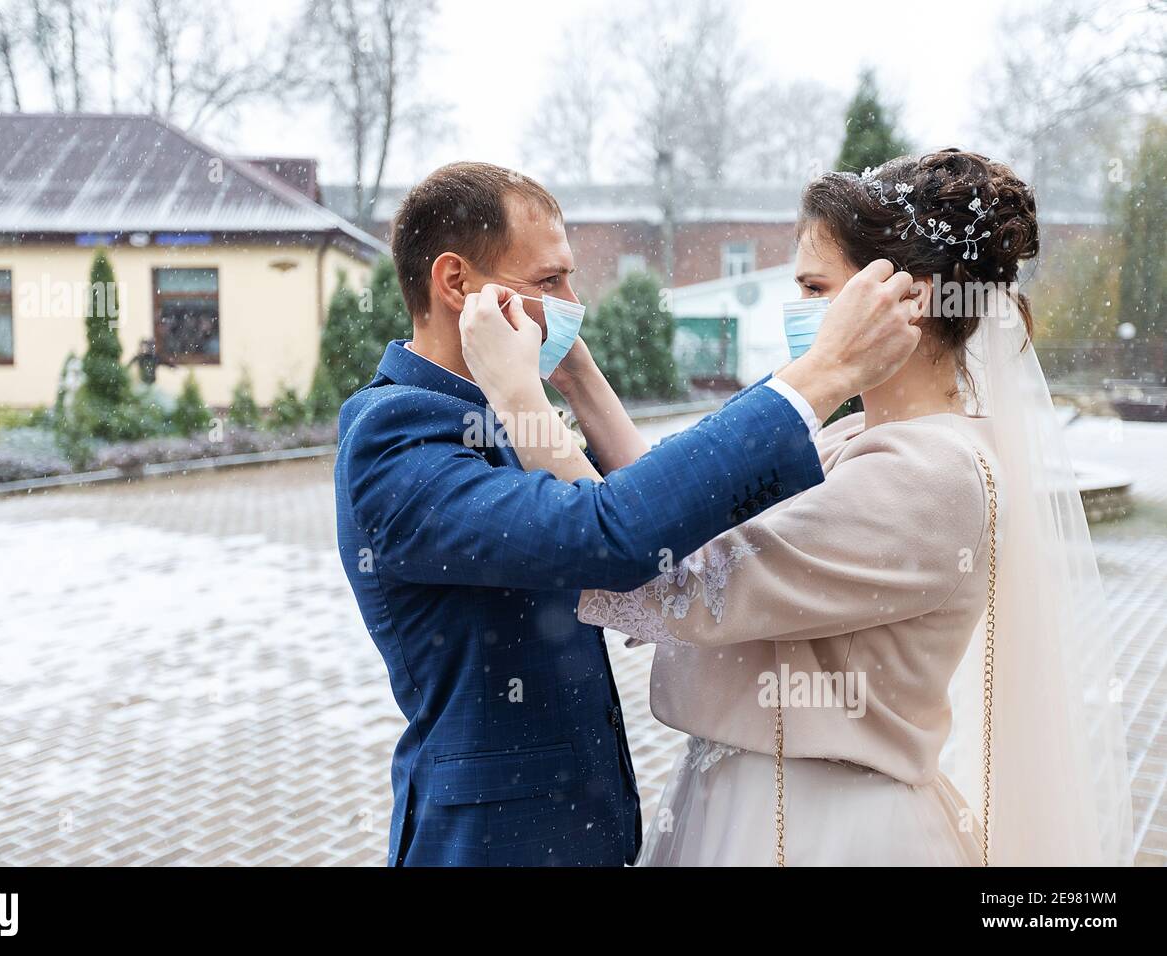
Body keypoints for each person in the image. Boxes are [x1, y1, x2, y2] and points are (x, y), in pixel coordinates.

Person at [464, 149, 1133, 866]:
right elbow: (674, 521)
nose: (801, 310)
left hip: (823, 829)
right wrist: (579, 377)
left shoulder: (934, 476)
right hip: (758, 804)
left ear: (909, 297)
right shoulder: (860, 436)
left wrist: (517, 399)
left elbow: (675, 577)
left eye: (817, 287)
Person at [334, 161, 922, 866]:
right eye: (549, 282)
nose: (573, 302)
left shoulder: (494, 412)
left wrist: (574, 375)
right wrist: (819, 375)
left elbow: (661, 510)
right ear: (456, 283)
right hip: (493, 845)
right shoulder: (394, 439)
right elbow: (607, 533)